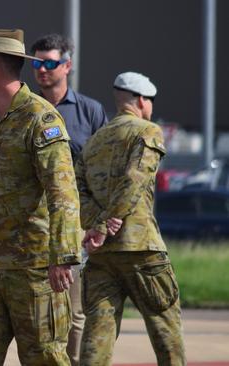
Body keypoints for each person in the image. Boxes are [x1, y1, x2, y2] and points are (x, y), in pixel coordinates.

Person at [0, 28, 81, 365]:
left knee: (44, 356)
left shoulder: (41, 118)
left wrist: (63, 255)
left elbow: (62, 191)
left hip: (34, 265)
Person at [75, 72, 186, 366]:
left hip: (101, 255)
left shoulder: (94, 141)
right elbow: (135, 179)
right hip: (140, 248)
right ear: (140, 101)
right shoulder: (147, 131)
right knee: (166, 330)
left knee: (97, 335)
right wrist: (108, 221)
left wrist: (97, 225)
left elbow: (79, 190)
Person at [30, 33, 108, 365]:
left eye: (50, 63)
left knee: (72, 310)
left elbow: (106, 169)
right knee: (32, 311)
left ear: (67, 65)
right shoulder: (26, 108)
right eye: (37, 63)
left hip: (75, 223)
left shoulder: (89, 112)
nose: (43, 70)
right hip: (31, 221)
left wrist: (102, 223)